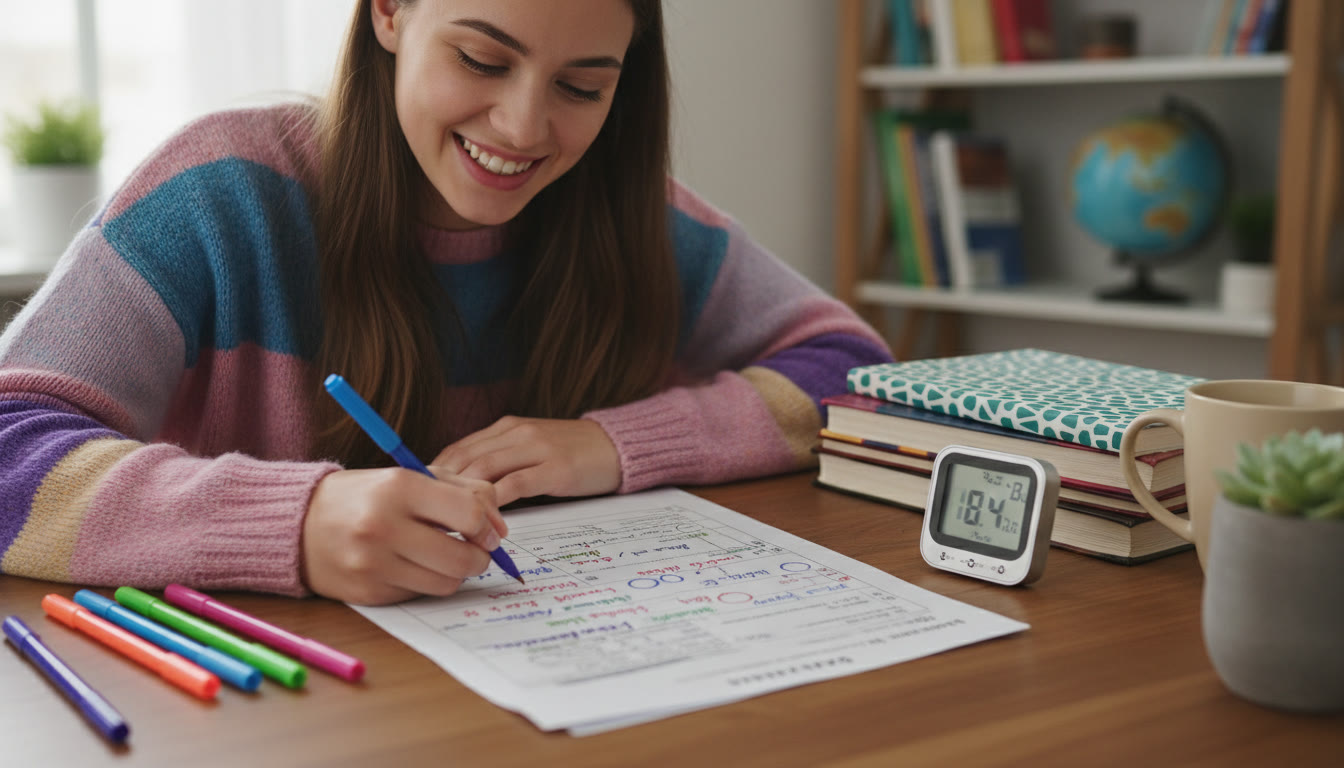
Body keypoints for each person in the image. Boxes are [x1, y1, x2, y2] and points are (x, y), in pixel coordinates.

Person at [0, 0, 891, 605]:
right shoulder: (220, 194)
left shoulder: (631, 217)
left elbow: (860, 377)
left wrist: (612, 446)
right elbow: (10, 451)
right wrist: (296, 523)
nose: (523, 128)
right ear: (388, 10)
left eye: (584, 86)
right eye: (481, 59)